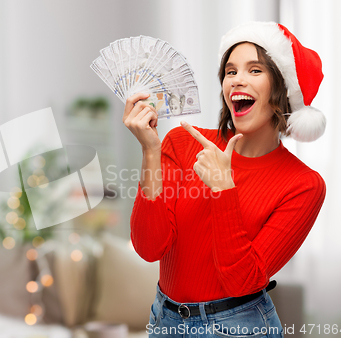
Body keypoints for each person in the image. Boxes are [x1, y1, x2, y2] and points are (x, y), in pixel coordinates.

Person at [123, 22, 326, 337]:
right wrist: (150, 150)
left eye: (255, 70)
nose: (237, 80)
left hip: (239, 326)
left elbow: (242, 280)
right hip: (164, 319)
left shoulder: (303, 185)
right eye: (230, 72)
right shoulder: (181, 142)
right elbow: (149, 248)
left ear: (281, 89)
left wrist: (223, 189)